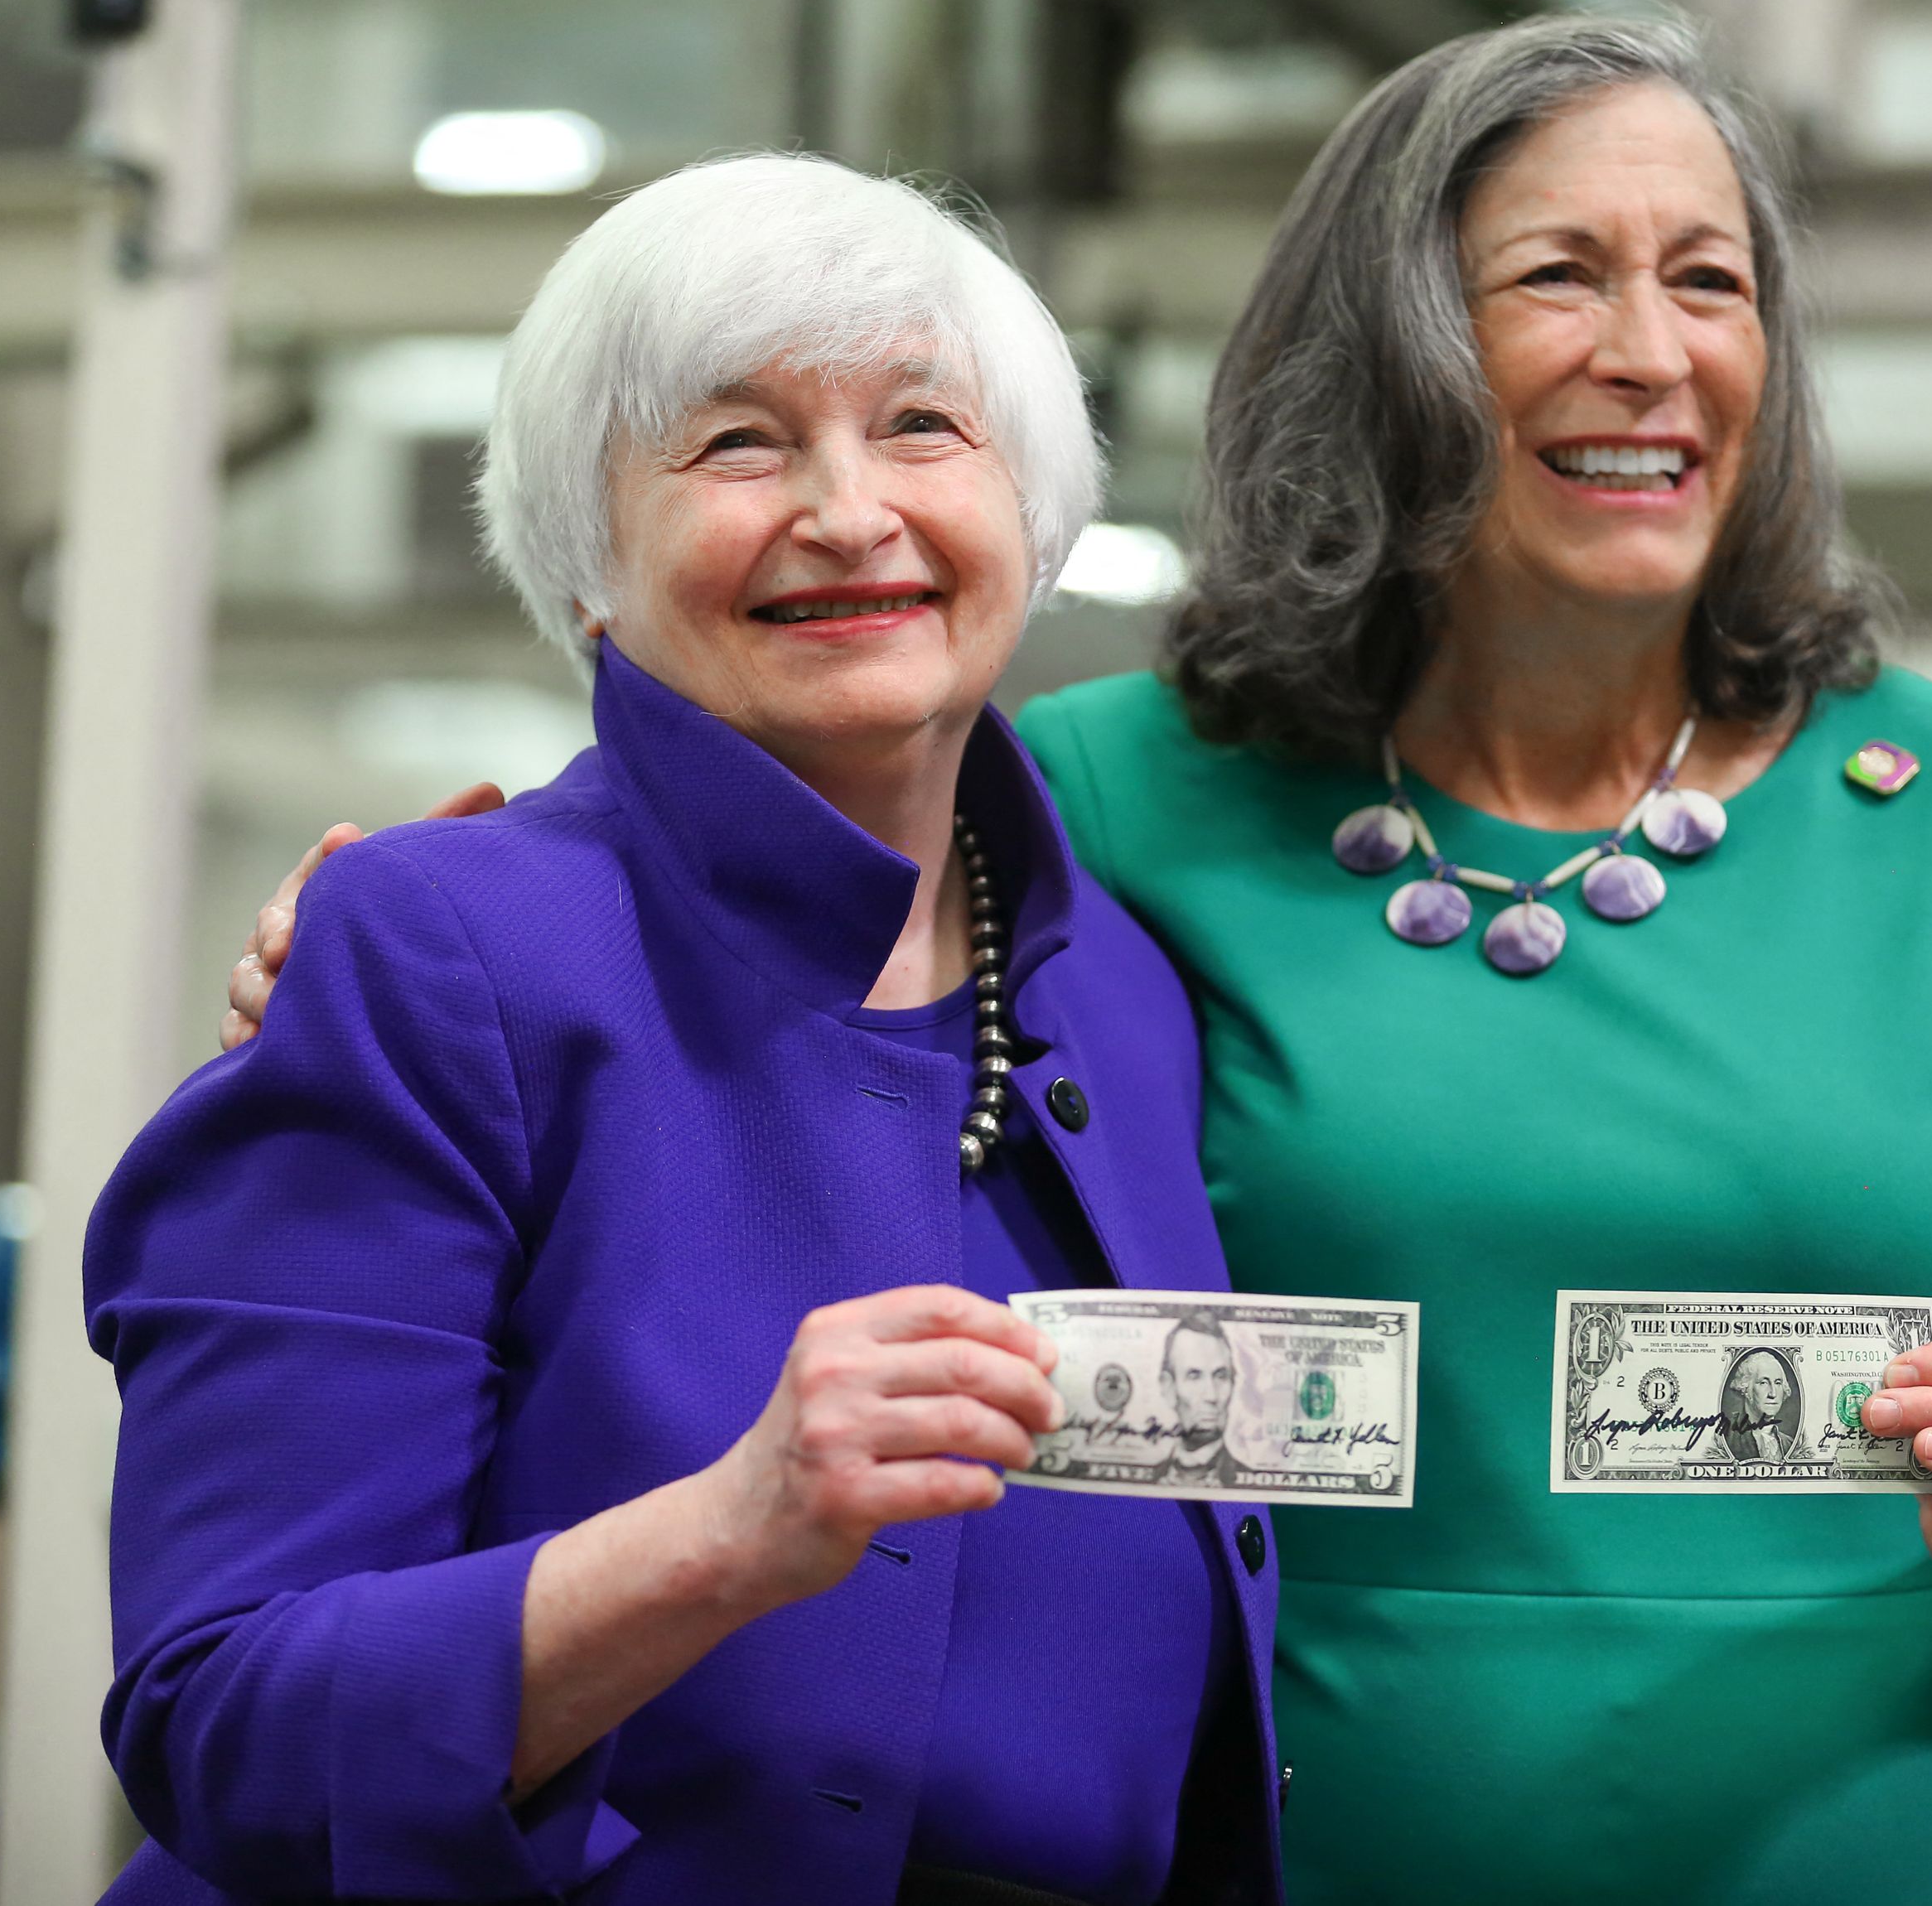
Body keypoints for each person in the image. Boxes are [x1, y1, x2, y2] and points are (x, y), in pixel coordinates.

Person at [227, 14, 1932, 1905]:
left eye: (1711, 281)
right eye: (1561, 275)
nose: (1652, 350)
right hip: (1301, 1849)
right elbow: (734, 929)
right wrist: (397, 946)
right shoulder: (1103, 800)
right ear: (1392, 351)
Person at [96, 155, 1281, 1906]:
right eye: (736, 443)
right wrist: (725, 1532)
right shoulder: (442, 947)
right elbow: (230, 1717)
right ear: (590, 568)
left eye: (923, 427)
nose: (848, 508)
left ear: (1031, 515)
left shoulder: (1115, 980)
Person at [1158, 1311, 1245, 1486]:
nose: (1211, 1396)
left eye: (1221, 1377)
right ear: (1168, 1388)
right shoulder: (1152, 1478)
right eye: (1194, 1376)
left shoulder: (1248, 1483)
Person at [1707, 1348, 1803, 1464]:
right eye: (1763, 1383)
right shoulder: (1727, 1440)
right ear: (1746, 1388)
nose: (1773, 1393)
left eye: (1778, 1383)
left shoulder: (1789, 1443)